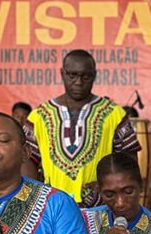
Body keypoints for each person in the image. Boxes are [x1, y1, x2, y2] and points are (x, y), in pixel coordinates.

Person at [23, 50, 139, 207]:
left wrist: (106, 186)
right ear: (62, 73)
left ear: (94, 75)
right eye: (72, 75)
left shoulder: (114, 114)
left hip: (100, 208)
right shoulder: (38, 117)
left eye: (86, 76)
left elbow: (129, 161)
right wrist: (35, 198)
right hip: (53, 206)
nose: (78, 82)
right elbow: (27, 160)